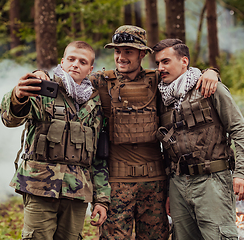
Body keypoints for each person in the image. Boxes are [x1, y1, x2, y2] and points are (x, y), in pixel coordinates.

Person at [86, 25, 221, 239]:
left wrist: (211, 72)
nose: (121, 57)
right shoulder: (101, 81)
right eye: (117, 51)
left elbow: (185, 76)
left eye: (128, 51)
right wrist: (40, 74)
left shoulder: (157, 80)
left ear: (142, 53)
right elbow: (69, 82)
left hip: (155, 184)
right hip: (116, 183)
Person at [0, 41, 111, 240]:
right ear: (62, 61)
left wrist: (101, 199)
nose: (75, 64)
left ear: (90, 69)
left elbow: (98, 157)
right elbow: (10, 119)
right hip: (40, 186)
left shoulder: (95, 103)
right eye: (71, 59)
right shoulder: (44, 88)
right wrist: (18, 95)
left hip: (77, 192)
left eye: (82, 61)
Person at [153, 39, 244, 240]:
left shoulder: (209, 87)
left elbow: (238, 128)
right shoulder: (162, 98)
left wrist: (242, 172)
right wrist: (170, 191)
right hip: (178, 183)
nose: (160, 68)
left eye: (165, 61)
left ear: (184, 61)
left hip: (212, 181)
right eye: (157, 63)